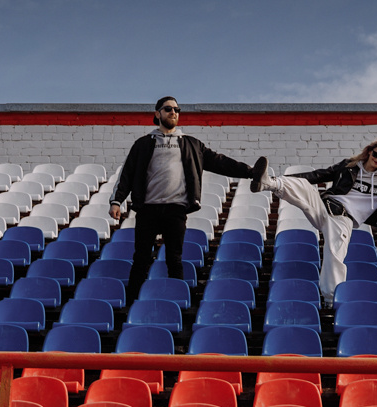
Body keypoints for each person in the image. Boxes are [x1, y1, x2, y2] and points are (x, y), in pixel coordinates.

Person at [250, 138, 377, 305]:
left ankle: (331, 301)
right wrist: (292, 177)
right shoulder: (348, 167)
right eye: (376, 155)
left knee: (334, 255)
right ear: (369, 152)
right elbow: (318, 175)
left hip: (344, 219)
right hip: (326, 206)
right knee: (304, 187)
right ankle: (269, 182)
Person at [110, 96, 268, 303]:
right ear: (157, 114)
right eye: (168, 109)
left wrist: (250, 172)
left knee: (174, 259)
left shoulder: (191, 144)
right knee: (141, 258)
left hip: (176, 210)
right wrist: (116, 201)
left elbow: (219, 162)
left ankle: (176, 302)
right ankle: (131, 304)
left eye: (177, 109)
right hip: (148, 209)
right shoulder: (143, 144)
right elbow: (127, 174)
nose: (173, 112)